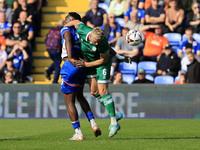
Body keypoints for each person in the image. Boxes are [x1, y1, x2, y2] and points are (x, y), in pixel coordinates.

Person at [65, 17, 124, 138]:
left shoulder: (102, 42)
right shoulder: (83, 29)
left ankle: (114, 123)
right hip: (90, 62)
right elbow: (76, 22)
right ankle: (116, 113)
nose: (97, 44)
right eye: (95, 41)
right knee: (94, 92)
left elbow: (104, 59)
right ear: (90, 35)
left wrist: (86, 64)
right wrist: (65, 27)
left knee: (103, 91)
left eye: (99, 42)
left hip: (101, 64)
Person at [60, 12, 101, 140]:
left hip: (70, 65)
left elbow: (67, 39)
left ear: (73, 20)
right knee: (80, 96)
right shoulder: (83, 32)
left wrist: (70, 58)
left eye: (68, 18)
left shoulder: (66, 29)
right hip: (82, 65)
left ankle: (78, 133)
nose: (65, 19)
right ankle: (93, 123)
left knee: (69, 101)